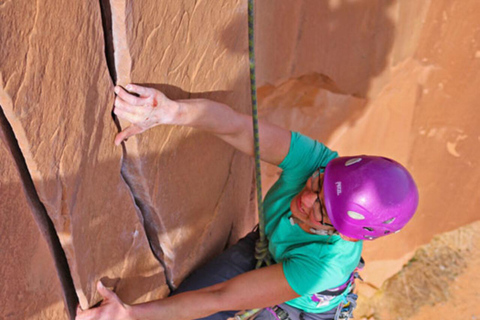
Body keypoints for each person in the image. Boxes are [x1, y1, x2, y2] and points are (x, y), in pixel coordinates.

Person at [76, 84, 419, 320]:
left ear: (343, 235)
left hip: (298, 305)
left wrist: (131, 314)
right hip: (268, 248)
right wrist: (172, 111)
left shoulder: (323, 265)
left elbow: (222, 296)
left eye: (322, 212)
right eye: (320, 183)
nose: (307, 199)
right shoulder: (316, 161)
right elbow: (240, 129)